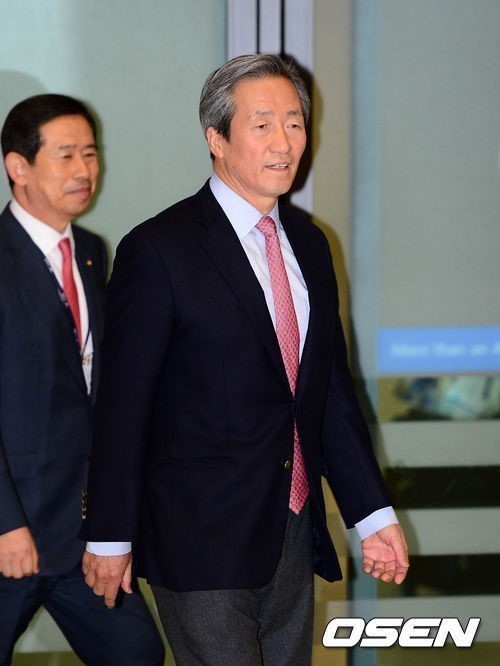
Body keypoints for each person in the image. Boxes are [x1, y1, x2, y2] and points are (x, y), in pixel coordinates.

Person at [82, 55, 409, 665]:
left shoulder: (311, 244)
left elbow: (329, 394)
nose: (284, 142)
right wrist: (108, 534)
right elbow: (123, 406)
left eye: (294, 123)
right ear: (216, 138)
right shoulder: (158, 249)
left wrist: (371, 514)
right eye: (262, 125)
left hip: (292, 528)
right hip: (198, 535)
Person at [0, 94, 164, 665]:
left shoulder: (92, 251)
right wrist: (5, 525)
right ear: (18, 167)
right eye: (66, 155)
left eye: (91, 154)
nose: (85, 170)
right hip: (12, 534)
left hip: (84, 536)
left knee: (137, 654)